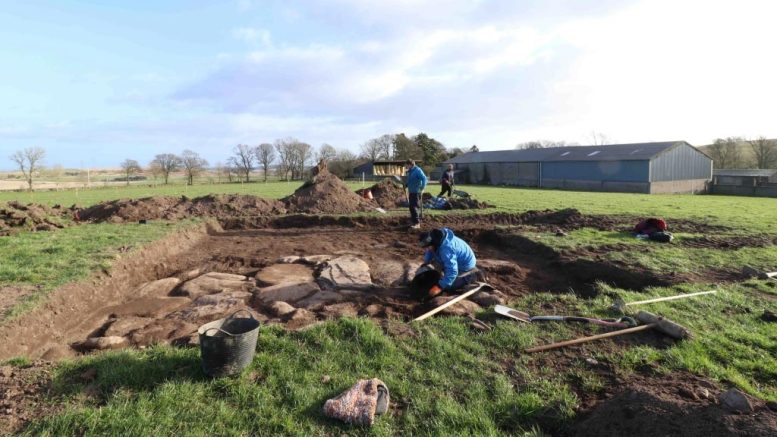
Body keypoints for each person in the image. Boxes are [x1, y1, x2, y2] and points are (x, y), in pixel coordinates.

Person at [418, 228, 477, 299]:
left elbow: (452, 271)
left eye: (427, 247)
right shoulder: (436, 238)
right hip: (453, 259)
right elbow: (429, 251)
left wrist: (439, 287)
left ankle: (469, 277)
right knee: (433, 267)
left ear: (433, 243)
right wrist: (426, 262)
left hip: (465, 267)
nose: (426, 250)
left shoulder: (446, 250)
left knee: (449, 286)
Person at [404, 159, 427, 229]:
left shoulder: (418, 170)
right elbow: (410, 180)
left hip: (416, 192)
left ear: (410, 164)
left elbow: (424, 178)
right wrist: (406, 185)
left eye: (407, 165)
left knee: (414, 207)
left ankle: (417, 223)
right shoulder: (410, 171)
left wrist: (422, 188)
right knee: (411, 207)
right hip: (411, 192)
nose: (406, 166)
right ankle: (414, 221)